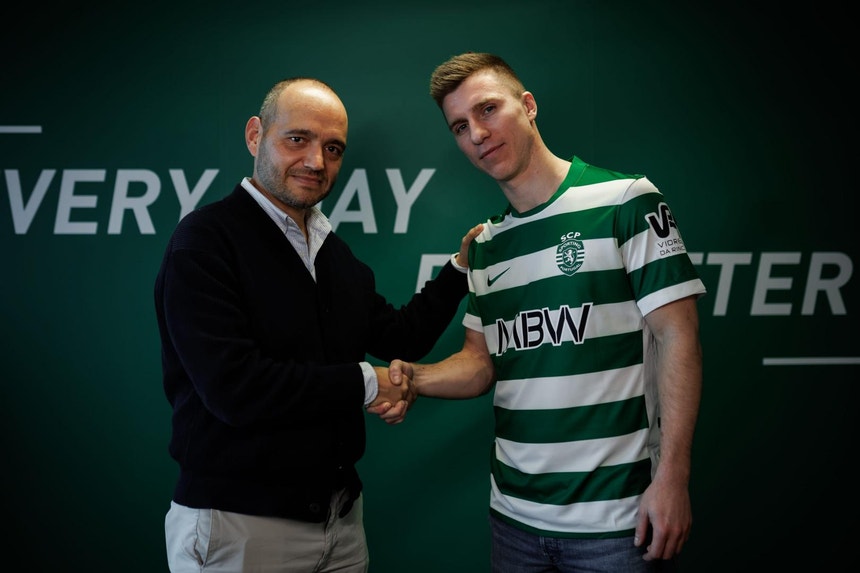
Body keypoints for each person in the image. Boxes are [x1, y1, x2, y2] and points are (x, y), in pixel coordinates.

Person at [372, 52, 707, 572]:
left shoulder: (626, 200)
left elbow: (678, 338)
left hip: (618, 523)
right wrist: (409, 377)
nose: (477, 134)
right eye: (460, 126)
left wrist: (673, 478)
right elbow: (480, 363)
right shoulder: (485, 244)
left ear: (528, 106)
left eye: (488, 110)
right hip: (513, 522)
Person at [154, 76, 481, 572]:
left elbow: (401, 336)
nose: (316, 161)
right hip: (239, 528)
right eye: (297, 140)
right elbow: (235, 388)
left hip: (341, 522)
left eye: (333, 148)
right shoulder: (204, 241)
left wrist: (459, 270)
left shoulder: (331, 252)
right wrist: (366, 383)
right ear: (254, 136)